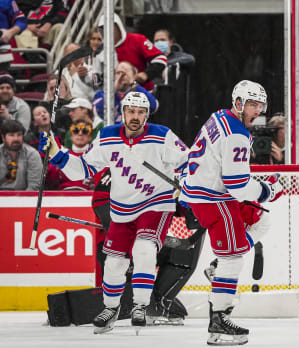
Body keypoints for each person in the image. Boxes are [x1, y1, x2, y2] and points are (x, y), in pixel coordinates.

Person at [38, 91, 189, 334]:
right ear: (123, 112)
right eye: (131, 111)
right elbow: (82, 169)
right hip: (121, 208)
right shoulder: (107, 136)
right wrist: (57, 153)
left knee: (144, 249)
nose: (135, 117)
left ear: (147, 115)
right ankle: (111, 309)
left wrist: (187, 184)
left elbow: (189, 161)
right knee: (114, 263)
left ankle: (140, 304)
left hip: (156, 203)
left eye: (141, 112)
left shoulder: (162, 136)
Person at [178, 80, 283, 346]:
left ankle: (217, 267)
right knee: (233, 257)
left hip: (206, 193)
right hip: (213, 200)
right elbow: (237, 186)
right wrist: (266, 191)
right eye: (251, 104)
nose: (256, 110)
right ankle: (219, 320)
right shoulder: (237, 133)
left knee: (262, 220)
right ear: (238, 102)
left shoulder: (219, 116)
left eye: (259, 105)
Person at [95, 13, 167, 91]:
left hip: (143, 92)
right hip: (115, 96)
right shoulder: (101, 51)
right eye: (104, 29)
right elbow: (96, 78)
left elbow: (160, 59)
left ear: (118, 26)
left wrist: (146, 74)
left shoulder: (138, 40)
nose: (108, 31)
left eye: (111, 27)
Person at [92, 61, 158, 124]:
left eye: (125, 72)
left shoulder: (139, 93)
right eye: (118, 73)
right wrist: (113, 90)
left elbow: (153, 107)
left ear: (134, 76)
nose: (121, 76)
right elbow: (97, 111)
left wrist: (134, 84)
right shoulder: (101, 94)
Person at [0, 119, 42, 190]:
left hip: (24, 198)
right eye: (11, 135)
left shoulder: (32, 154)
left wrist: (22, 200)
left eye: (19, 135)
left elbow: (34, 186)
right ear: (3, 138)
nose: (16, 139)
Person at [0, 0, 26, 71]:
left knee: (3, 80)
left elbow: (21, 20)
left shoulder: (6, 1)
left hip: (2, 51)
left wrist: (10, 32)